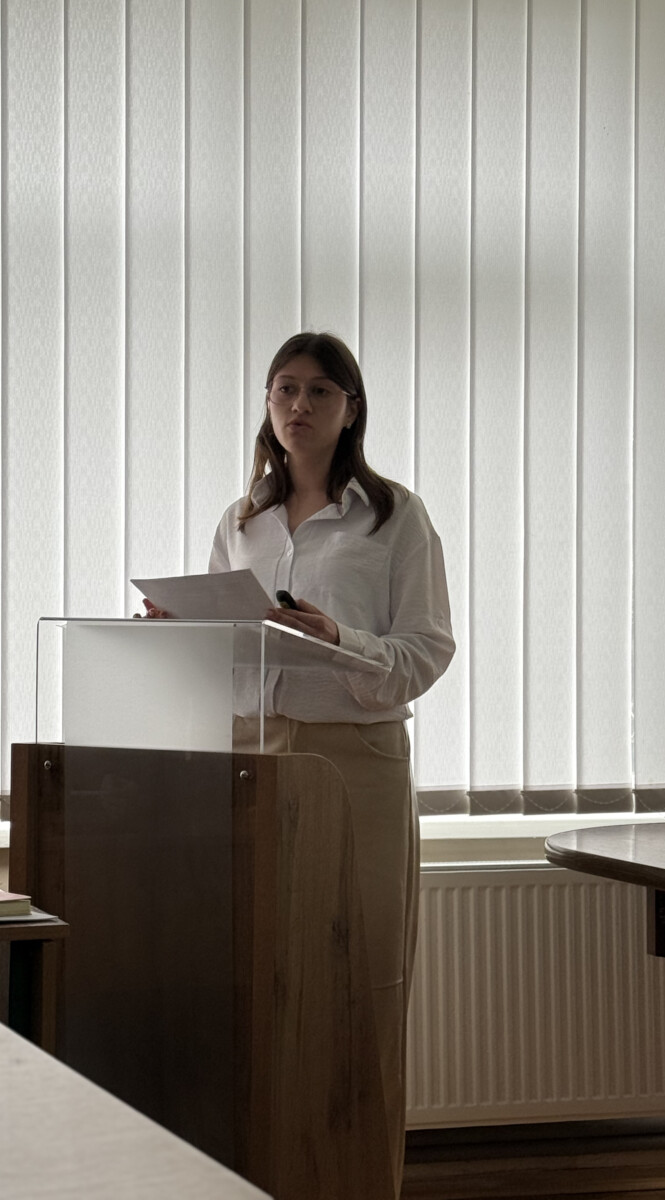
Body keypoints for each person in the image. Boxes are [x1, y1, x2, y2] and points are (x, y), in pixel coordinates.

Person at [206, 331, 454, 1196]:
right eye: (284, 389)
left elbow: (427, 651)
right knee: (260, 987)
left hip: (355, 767)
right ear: (267, 406)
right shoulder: (241, 522)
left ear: (351, 408)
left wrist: (337, 637)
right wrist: (186, 634)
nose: (299, 405)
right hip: (250, 759)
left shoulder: (395, 516)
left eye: (319, 390)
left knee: (362, 986)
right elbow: (221, 654)